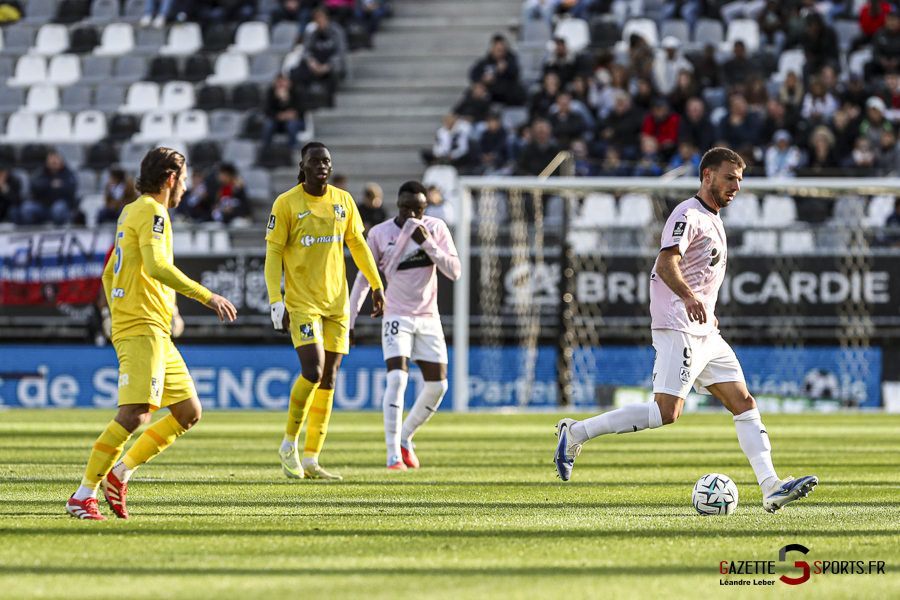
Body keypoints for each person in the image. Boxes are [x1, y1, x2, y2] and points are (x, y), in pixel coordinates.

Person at [553, 147, 818, 513]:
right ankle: (576, 433)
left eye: (739, 180)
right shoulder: (688, 214)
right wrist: (690, 298)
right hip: (679, 325)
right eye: (729, 178)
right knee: (667, 412)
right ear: (707, 175)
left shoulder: (714, 219)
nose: (735, 187)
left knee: (743, 403)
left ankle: (771, 486)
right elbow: (665, 262)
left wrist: (703, 310)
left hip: (705, 331)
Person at [65, 148, 237, 520]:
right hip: (143, 326)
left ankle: (120, 473)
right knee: (135, 414)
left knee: (188, 411)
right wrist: (207, 296)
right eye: (185, 179)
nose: (186, 188)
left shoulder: (131, 210)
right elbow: (158, 266)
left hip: (152, 326)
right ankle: (83, 494)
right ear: (171, 178)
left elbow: (110, 273)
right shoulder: (154, 212)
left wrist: (124, 309)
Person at [266, 142, 384, 480]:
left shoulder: (343, 201)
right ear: (302, 166)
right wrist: (276, 298)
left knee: (330, 378)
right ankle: (289, 444)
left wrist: (376, 285)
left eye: (327, 161)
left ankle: (313, 457)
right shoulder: (286, 203)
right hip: (302, 302)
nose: (322, 166)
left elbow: (358, 244)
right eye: (315, 161)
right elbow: (273, 253)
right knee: (313, 371)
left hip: (337, 303)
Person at [348, 181, 461, 469]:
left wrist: (428, 244)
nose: (411, 214)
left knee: (438, 386)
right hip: (396, 313)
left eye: (418, 209)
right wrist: (349, 321)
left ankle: (405, 437)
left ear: (426, 208)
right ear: (398, 205)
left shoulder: (435, 228)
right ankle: (392, 455)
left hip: (428, 316)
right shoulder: (380, 232)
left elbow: (455, 271)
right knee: (398, 378)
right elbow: (364, 278)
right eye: (406, 208)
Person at [292, 7, 347, 107]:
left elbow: (341, 52)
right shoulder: (311, 33)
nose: (320, 21)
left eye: (321, 18)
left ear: (327, 19)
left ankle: (329, 102)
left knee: (334, 71)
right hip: (316, 64)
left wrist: (328, 65)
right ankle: (305, 102)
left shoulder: (337, 31)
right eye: (317, 19)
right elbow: (306, 51)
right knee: (296, 73)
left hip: (331, 64)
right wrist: (311, 62)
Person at [469, 34, 525, 106]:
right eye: (498, 49)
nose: (500, 52)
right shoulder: (486, 61)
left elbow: (516, 72)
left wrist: (506, 68)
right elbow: (474, 73)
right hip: (490, 92)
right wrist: (482, 79)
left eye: (502, 49)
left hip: (507, 93)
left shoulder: (510, 60)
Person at [25, 151, 78, 226]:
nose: (53, 162)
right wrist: (50, 184)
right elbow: (35, 187)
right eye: (51, 159)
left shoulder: (68, 174)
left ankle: (59, 233)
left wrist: (55, 187)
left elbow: (70, 189)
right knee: (27, 208)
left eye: (56, 159)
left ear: (61, 161)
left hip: (63, 207)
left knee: (58, 208)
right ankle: (32, 232)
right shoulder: (41, 173)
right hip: (43, 207)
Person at [263, 75, 305, 150]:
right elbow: (267, 111)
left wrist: (286, 100)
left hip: (295, 122)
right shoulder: (271, 93)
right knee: (268, 124)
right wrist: (280, 115)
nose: (282, 85)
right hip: (277, 122)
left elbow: (300, 110)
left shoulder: (297, 91)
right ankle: (266, 149)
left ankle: (292, 149)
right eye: (279, 83)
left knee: (292, 124)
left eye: (284, 82)